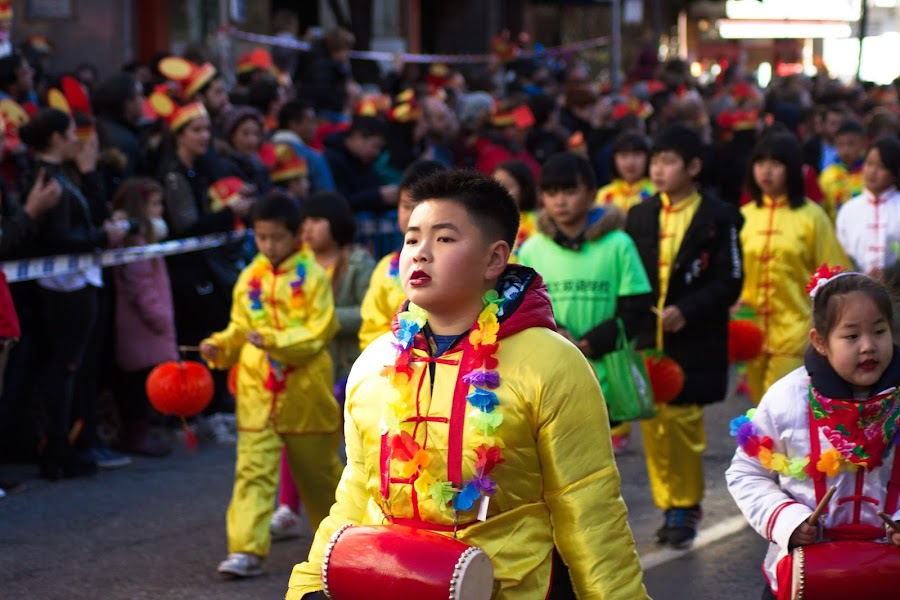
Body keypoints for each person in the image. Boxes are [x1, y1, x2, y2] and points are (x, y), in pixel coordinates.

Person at [285, 169, 649, 600]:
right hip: (390, 585)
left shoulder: (553, 363)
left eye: (443, 239)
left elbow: (588, 505)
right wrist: (309, 584)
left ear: (494, 259)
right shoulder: (375, 363)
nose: (420, 253)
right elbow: (355, 494)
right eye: (411, 238)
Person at [726, 267, 900, 600]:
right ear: (820, 342)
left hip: (889, 576)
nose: (868, 347)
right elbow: (747, 473)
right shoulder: (785, 398)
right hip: (805, 577)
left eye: (879, 332)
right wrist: (788, 522)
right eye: (851, 336)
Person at [200, 193, 344, 578]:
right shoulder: (251, 277)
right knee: (253, 470)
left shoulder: (313, 276)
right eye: (261, 237)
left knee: (318, 473)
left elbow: (318, 331)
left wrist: (276, 342)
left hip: (304, 393)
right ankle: (246, 549)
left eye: (276, 237)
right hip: (256, 393)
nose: (268, 245)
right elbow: (239, 328)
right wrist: (219, 346)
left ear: (296, 235)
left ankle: (341, 544)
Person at [625, 123, 744, 548]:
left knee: (685, 421)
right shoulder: (639, 215)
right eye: (655, 161)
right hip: (647, 336)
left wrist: (687, 311)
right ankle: (668, 504)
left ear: (693, 167)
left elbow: (730, 280)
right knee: (654, 424)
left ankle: (687, 503)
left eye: (668, 162)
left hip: (694, 337)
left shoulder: (718, 216)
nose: (658, 170)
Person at [518, 152, 652, 454]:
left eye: (569, 191)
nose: (560, 201)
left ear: (591, 194)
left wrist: (590, 343)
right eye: (551, 193)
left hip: (607, 372)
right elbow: (525, 306)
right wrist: (560, 337)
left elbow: (636, 307)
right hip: (552, 370)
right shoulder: (533, 250)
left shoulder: (618, 244)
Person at [23, 108, 128, 478]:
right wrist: (103, 238)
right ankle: (58, 447)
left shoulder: (65, 174)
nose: (77, 141)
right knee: (65, 366)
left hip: (78, 281)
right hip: (63, 285)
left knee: (74, 366)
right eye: (70, 133)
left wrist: (88, 173)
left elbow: (95, 214)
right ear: (55, 138)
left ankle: (69, 444)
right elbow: (56, 238)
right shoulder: (44, 177)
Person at [269, 191, 375, 540]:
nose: (308, 228)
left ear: (337, 223)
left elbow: (368, 312)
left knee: (345, 443)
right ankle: (288, 506)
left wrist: (322, 320)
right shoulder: (296, 266)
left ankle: (347, 511)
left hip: (347, 367)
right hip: (305, 365)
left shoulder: (358, 262)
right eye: (305, 222)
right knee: (297, 430)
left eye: (317, 220)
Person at [740, 130, 849, 404]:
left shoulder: (812, 217)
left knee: (784, 409)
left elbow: (835, 276)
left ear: (792, 168)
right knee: (757, 412)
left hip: (795, 334)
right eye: (760, 162)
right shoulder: (743, 217)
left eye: (776, 163)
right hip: (749, 334)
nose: (766, 170)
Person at [110, 177, 177, 457]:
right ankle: (136, 434)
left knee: (140, 381)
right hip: (142, 324)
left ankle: (142, 431)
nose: (160, 210)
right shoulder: (136, 242)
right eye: (155, 204)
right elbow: (140, 286)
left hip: (145, 323)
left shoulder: (143, 239)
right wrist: (160, 317)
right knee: (136, 384)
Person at [357, 159, 446, 350]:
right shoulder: (385, 267)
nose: (413, 216)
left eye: (420, 206)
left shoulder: (455, 263)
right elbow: (371, 329)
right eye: (406, 205)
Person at [837, 136, 900, 278]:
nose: (872, 172)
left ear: (894, 172)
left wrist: (891, 273)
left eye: (881, 166)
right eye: (869, 164)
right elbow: (842, 252)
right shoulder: (849, 210)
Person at [323, 115, 397, 214]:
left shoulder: (365, 161)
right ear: (357, 137)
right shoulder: (332, 160)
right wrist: (378, 196)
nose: (377, 153)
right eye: (375, 146)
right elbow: (340, 202)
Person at [272, 100, 336, 194]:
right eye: (311, 121)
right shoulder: (313, 158)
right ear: (293, 124)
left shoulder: (264, 151)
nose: (316, 126)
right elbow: (327, 197)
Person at [818, 119, 866, 222]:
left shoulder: (869, 174)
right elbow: (821, 210)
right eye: (841, 144)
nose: (845, 150)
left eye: (851, 144)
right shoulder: (827, 175)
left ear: (863, 144)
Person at [596, 131, 655, 213]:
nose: (630, 162)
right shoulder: (604, 194)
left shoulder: (656, 192)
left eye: (637, 155)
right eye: (624, 155)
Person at [492, 158, 539, 257]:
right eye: (495, 186)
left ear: (524, 189)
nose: (500, 192)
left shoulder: (538, 224)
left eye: (507, 186)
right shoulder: (484, 222)